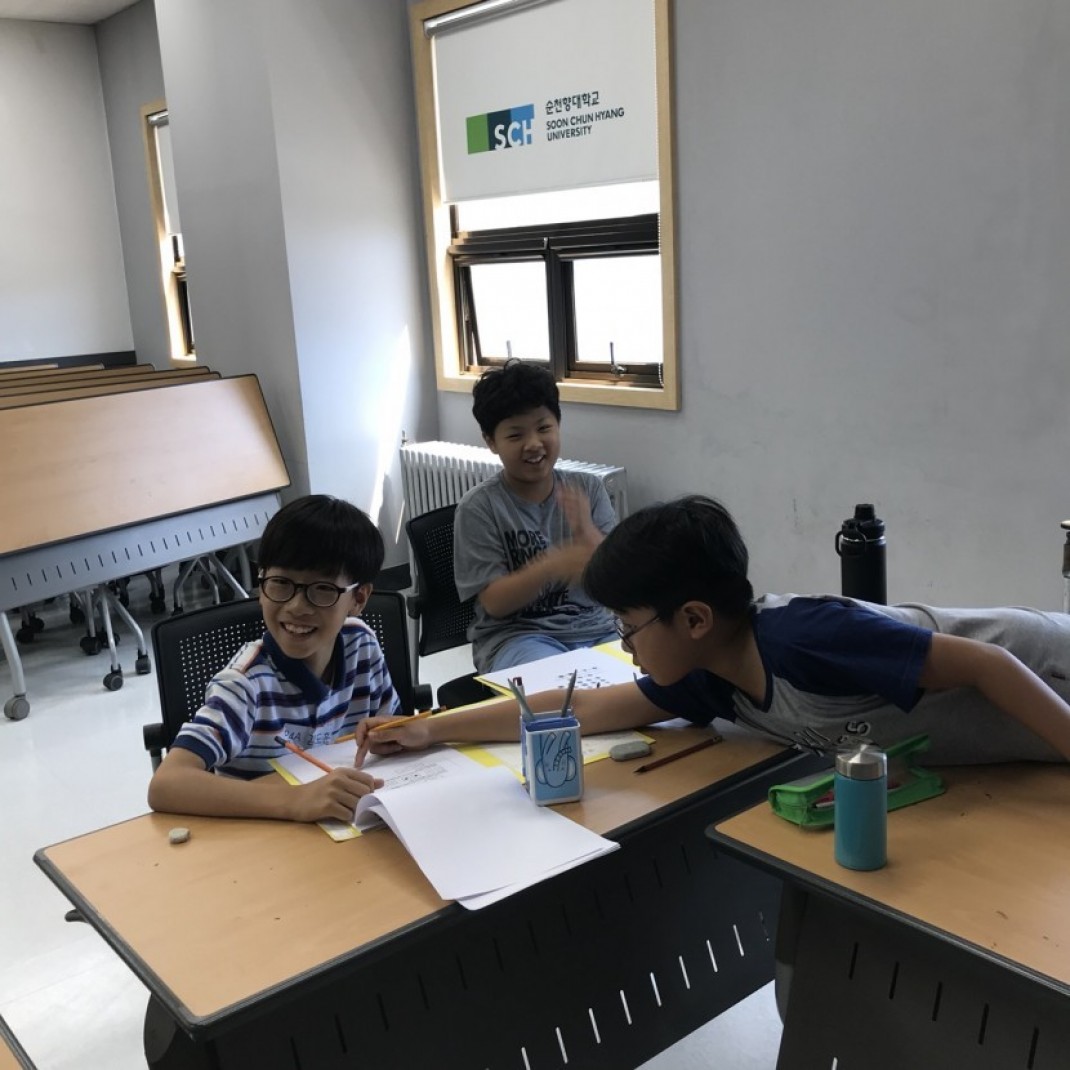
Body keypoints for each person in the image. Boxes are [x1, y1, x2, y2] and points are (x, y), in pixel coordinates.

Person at [357, 495, 1070, 766]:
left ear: (694, 619)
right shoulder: (709, 674)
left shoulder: (804, 637)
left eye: (630, 628)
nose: (626, 647)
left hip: (1051, 677)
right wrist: (433, 730)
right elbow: (583, 707)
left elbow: (989, 666)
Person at [148, 495, 398, 822]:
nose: (296, 606)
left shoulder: (361, 644)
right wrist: (296, 800)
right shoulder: (245, 684)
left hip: (344, 825)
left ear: (358, 598)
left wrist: (394, 733)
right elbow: (167, 784)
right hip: (265, 833)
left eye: (322, 589)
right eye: (280, 583)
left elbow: (390, 725)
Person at [455, 359, 618, 672]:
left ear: (558, 425)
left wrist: (590, 537)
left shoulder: (589, 489)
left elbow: (617, 582)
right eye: (515, 435)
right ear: (491, 442)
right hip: (517, 637)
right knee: (560, 687)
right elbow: (495, 603)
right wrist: (553, 565)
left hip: (598, 629)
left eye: (544, 428)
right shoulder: (479, 508)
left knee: (650, 681)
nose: (533, 444)